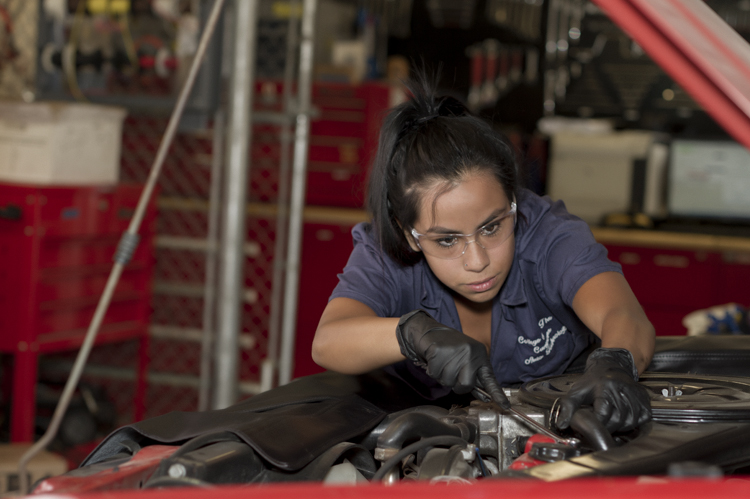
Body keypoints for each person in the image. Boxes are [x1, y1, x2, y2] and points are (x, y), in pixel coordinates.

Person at [311, 73, 654, 434]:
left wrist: (615, 362)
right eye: (446, 241)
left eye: (492, 227)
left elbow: (623, 313)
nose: (478, 261)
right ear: (408, 235)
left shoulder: (549, 235)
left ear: (514, 203)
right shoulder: (387, 255)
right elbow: (329, 341)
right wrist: (411, 335)